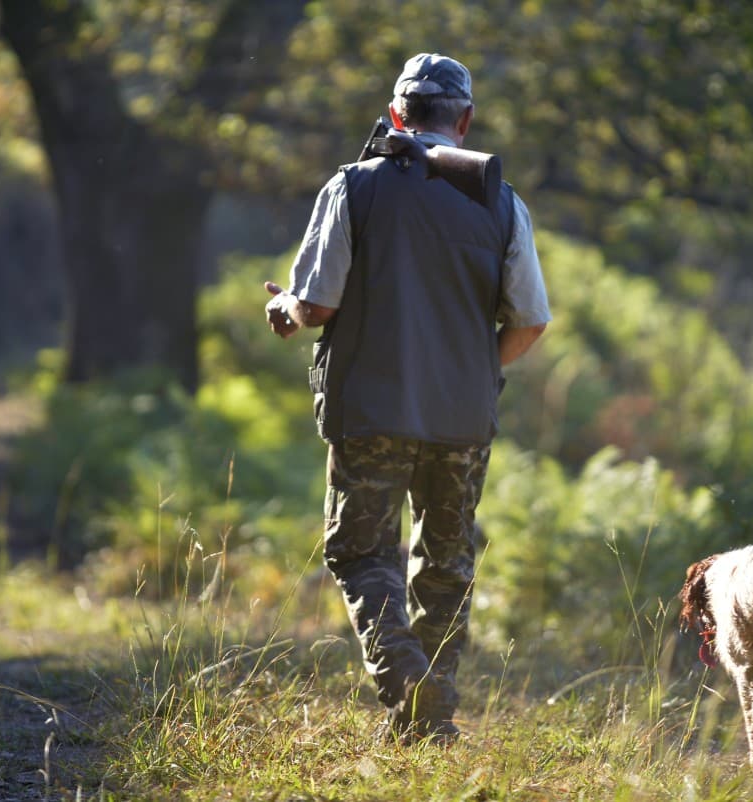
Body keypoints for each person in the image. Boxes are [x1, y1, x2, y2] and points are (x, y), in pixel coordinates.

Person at [263, 52, 550, 744]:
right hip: (462, 419)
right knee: (446, 565)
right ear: (466, 120)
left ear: (396, 115)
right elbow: (531, 320)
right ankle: (429, 719)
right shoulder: (502, 201)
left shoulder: (353, 186)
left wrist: (287, 313)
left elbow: (320, 303)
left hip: (369, 412)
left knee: (362, 555)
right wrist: (478, 373)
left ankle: (405, 678)